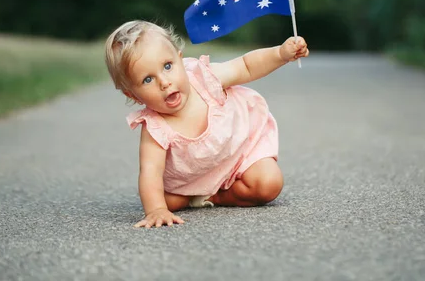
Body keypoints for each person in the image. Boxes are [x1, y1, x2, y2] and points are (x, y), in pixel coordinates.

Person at [104, 20, 309, 228]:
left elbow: (246, 66)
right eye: (148, 79)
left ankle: (216, 196)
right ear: (133, 95)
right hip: (193, 178)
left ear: (180, 60)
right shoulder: (155, 126)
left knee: (269, 183)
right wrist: (156, 210)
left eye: (167, 66)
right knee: (163, 201)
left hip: (238, 154)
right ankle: (205, 195)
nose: (164, 82)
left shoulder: (204, 78)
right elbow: (150, 171)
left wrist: (280, 54)